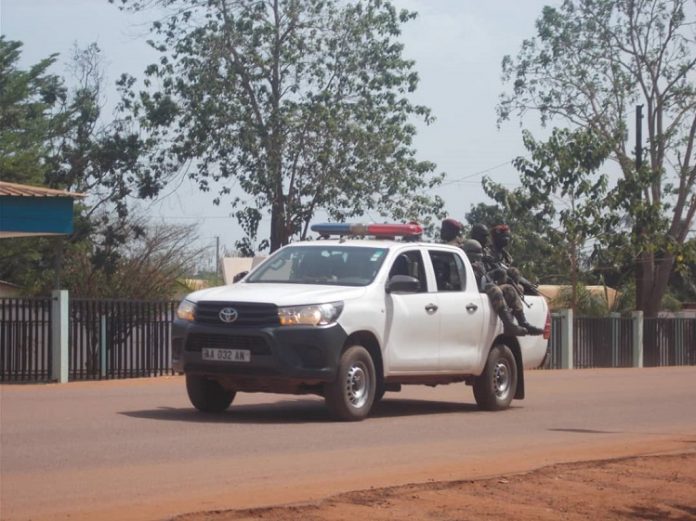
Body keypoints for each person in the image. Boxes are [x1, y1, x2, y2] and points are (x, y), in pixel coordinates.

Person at [462, 239, 528, 336]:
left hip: (483, 293)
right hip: (474, 293)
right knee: (493, 288)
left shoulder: (482, 263)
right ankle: (509, 324)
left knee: (508, 288)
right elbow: (476, 282)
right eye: (476, 254)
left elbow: (487, 278)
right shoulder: (463, 265)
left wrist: (496, 273)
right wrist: (490, 274)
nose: (478, 257)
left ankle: (518, 322)